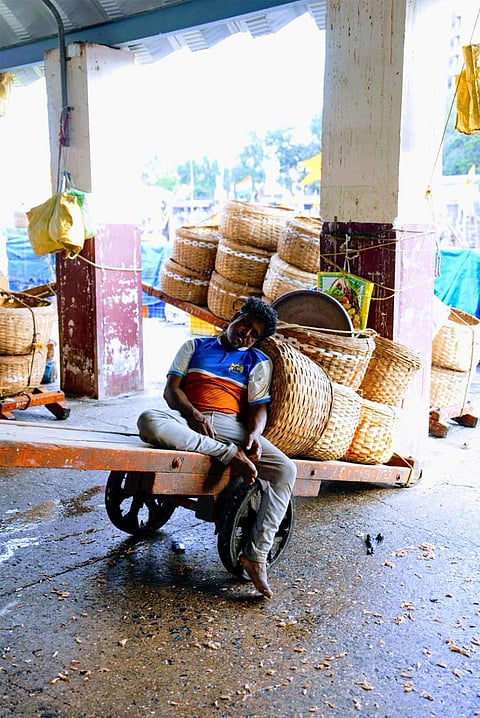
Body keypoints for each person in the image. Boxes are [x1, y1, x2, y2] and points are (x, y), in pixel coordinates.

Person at [137, 297, 297, 599]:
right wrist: (194, 416)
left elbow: (258, 407)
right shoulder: (195, 347)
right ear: (237, 316)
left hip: (230, 426)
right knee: (149, 421)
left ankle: (256, 555)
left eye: (255, 335)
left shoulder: (257, 362)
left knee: (286, 470)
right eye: (245, 325)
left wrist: (253, 434)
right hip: (188, 419)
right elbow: (171, 392)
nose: (246, 335)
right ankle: (225, 454)